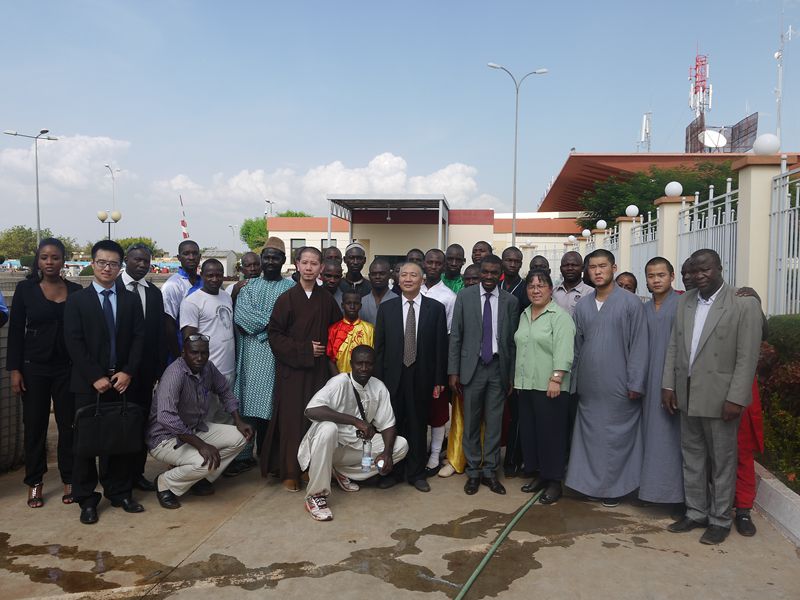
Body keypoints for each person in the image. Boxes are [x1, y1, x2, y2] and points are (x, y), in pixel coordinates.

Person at [663, 249, 763, 545]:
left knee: (722, 461)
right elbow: (674, 347)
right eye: (693, 271)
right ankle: (695, 512)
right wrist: (668, 384)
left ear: (720, 268)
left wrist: (737, 397)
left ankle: (720, 519)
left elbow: (748, 357)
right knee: (692, 457)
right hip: (687, 392)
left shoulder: (743, 304)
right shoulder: (685, 301)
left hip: (722, 398)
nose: (698, 276)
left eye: (704, 270)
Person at [64, 240, 145, 525]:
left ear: (120, 267)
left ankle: (120, 492)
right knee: (85, 444)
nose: (107, 268)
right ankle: (86, 499)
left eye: (113, 264)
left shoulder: (131, 299)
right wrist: (94, 376)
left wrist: (128, 371)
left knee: (118, 439)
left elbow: (138, 339)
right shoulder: (77, 301)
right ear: (92, 263)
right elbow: (73, 342)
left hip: (121, 381)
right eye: (102, 262)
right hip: (88, 384)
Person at [566, 249, 648, 508]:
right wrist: (574, 381)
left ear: (613, 267)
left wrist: (636, 382)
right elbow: (577, 347)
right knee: (590, 437)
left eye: (603, 266)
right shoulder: (583, 305)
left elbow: (640, 346)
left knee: (616, 438)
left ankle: (614, 490)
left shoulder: (631, 303)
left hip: (619, 385)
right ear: (587, 272)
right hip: (590, 386)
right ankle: (590, 485)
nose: (598, 271)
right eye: (592, 267)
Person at [7, 238, 82, 508]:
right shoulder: (25, 289)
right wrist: (15, 370)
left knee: (68, 426)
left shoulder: (75, 291)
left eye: (55, 257)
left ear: (64, 261)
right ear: (38, 260)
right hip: (33, 368)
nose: (49, 262)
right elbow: (15, 331)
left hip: (67, 369)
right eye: (44, 257)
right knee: (35, 426)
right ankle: (35, 481)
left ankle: (70, 479)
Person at [261, 247, 342, 491]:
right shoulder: (286, 299)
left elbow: (336, 331)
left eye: (314, 263)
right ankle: (289, 471)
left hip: (318, 373)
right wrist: (305, 350)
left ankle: (309, 469)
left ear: (321, 268)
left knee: (314, 421)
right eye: (305, 262)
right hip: (291, 372)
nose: (309, 268)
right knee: (291, 422)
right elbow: (274, 336)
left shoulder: (326, 299)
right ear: (297, 265)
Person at [299, 345, 409, 520]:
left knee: (400, 445)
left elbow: (388, 425)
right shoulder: (340, 382)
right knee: (329, 428)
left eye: (368, 364)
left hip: (354, 447)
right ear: (351, 364)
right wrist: (355, 421)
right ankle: (316, 495)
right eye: (359, 364)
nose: (364, 368)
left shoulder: (378, 387)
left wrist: (387, 453)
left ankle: (342, 471)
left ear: (374, 365)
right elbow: (311, 410)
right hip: (326, 446)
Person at [147, 335, 253, 509]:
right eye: (194, 352)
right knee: (203, 461)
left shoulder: (208, 368)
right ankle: (165, 483)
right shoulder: (174, 374)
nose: (200, 357)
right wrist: (201, 445)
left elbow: (225, 391)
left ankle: (197, 478)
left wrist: (238, 420)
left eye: (204, 353)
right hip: (165, 438)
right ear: (184, 353)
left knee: (241, 437)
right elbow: (166, 417)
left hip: (195, 428)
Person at [449, 254, 520, 496]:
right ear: (479, 272)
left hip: (498, 369)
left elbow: (511, 342)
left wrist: (510, 375)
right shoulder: (465, 297)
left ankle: (490, 471)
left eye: (493, 273)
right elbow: (456, 336)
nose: (489, 277)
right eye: (485, 272)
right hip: (472, 368)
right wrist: (453, 371)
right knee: (470, 421)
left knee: (494, 423)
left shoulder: (510, 301)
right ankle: (473, 472)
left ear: (500, 273)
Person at [374, 261, 448, 492]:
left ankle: (416, 473)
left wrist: (439, 381)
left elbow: (440, 348)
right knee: (392, 425)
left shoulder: (435, 309)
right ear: (397, 279)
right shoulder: (387, 309)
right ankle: (393, 471)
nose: (408, 279)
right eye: (404, 275)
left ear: (422, 279)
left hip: (422, 376)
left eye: (413, 275)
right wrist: (378, 381)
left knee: (417, 425)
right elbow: (380, 348)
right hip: (392, 377)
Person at [231, 239, 294, 474]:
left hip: (278, 357)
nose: (269, 262)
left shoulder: (290, 289)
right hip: (250, 358)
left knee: (273, 409)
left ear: (283, 261)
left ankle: (270, 458)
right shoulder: (247, 287)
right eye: (266, 257)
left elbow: (289, 321)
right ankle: (244, 457)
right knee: (247, 406)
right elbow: (243, 320)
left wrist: (267, 326)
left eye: (275, 258)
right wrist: (272, 327)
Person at [514, 269, 575, 504]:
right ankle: (540, 474)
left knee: (552, 436)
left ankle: (554, 482)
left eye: (541, 286)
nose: (536, 290)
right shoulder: (525, 314)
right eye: (531, 286)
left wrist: (557, 377)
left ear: (551, 289)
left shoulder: (559, 317)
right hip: (526, 385)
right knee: (532, 434)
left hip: (550, 387)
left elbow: (565, 349)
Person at [118, 242, 167, 492]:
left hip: (145, 373)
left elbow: (159, 333)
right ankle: (118, 478)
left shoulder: (154, 292)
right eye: (137, 260)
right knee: (118, 425)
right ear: (127, 259)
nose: (142, 265)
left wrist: (159, 369)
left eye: (146, 261)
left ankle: (137, 473)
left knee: (140, 423)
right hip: (118, 373)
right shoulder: (114, 288)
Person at [638, 257, 683, 506]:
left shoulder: (682, 304)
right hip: (648, 382)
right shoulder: (643, 308)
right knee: (649, 437)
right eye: (651, 276)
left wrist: (674, 384)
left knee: (671, 439)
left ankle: (675, 497)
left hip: (671, 383)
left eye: (661, 275)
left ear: (672, 276)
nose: (656, 280)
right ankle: (649, 492)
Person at [180, 259, 235, 425]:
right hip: (206, 372)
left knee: (225, 419)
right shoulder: (192, 301)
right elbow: (189, 339)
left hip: (228, 371)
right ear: (201, 275)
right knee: (205, 420)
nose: (214, 279)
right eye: (210, 275)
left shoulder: (226, 296)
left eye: (218, 275)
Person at [439, 265, 480, 478]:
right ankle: (456, 459)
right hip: (464, 370)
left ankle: (477, 460)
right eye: (469, 278)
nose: (472, 282)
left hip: (487, 370)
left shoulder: (493, 300)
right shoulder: (460, 299)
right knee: (460, 417)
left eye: (476, 278)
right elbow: (454, 337)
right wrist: (453, 371)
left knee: (482, 420)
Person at [420, 248, 456, 473]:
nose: (433, 266)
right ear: (424, 263)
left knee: (438, 411)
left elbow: (449, 336)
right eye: (429, 262)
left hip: (435, 362)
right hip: (411, 360)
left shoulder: (449, 297)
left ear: (443, 267)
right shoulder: (412, 288)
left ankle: (434, 455)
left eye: (437, 263)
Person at [161, 240, 202, 360]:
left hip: (203, 351)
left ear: (200, 257)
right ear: (179, 257)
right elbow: (169, 325)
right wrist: (179, 356)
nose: (191, 257)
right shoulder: (173, 285)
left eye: (195, 254)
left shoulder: (204, 282)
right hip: (182, 352)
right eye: (186, 254)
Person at [327, 291, 374, 374]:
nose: (352, 306)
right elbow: (330, 359)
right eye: (348, 303)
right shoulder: (334, 329)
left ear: (360, 306)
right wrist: (338, 380)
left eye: (356, 303)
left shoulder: (370, 329)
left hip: (364, 378)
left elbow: (372, 358)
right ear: (342, 305)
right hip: (339, 379)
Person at [553, 251, 593, 317]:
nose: (570, 268)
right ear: (560, 269)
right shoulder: (552, 292)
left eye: (574, 265)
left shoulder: (591, 293)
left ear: (582, 268)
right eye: (566, 265)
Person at [359, 258, 397, 325]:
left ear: (389, 275)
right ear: (369, 276)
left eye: (382, 273)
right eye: (374, 274)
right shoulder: (361, 302)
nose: (377, 277)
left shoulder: (398, 301)